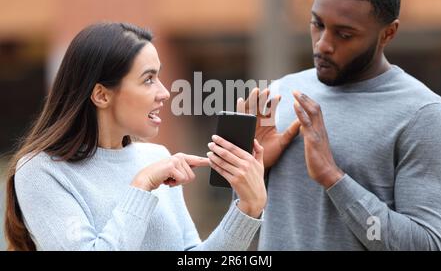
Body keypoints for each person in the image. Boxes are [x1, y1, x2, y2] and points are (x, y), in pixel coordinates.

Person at [238, 0, 441, 250]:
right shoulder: (281, 92)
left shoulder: (422, 115)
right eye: (318, 24)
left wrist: (333, 177)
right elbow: (244, 226)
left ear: (388, 33)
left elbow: (429, 244)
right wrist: (251, 172)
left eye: (344, 34)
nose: (323, 44)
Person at [4, 22, 267, 251]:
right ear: (101, 95)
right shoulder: (40, 172)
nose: (165, 92)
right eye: (148, 79)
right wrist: (142, 184)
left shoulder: (157, 157)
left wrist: (247, 208)